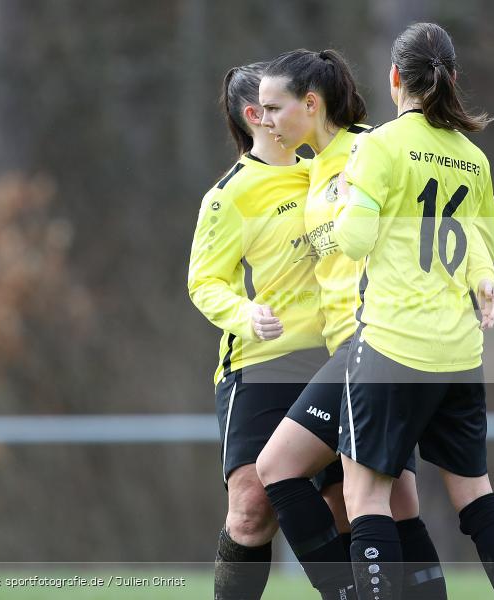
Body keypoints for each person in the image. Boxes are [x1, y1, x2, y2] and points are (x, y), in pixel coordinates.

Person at [333, 22, 494, 600]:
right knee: (476, 495)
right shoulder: (473, 158)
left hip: (394, 344)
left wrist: (348, 195)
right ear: (451, 79)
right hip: (459, 353)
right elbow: (483, 245)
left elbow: (353, 242)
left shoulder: (379, 146)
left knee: (366, 497)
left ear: (394, 78)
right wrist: (484, 282)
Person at [253, 49, 447, 600]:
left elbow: (385, 232)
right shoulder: (320, 163)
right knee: (398, 502)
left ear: (310, 104)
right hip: (357, 346)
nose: (264, 121)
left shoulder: (366, 149)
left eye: (274, 108)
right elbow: (333, 237)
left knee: (278, 468)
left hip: (374, 343)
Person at [188, 62, 334, 600]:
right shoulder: (229, 196)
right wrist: (246, 314)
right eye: (277, 101)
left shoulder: (327, 170)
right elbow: (204, 282)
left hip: (336, 357)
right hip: (262, 366)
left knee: (347, 503)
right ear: (257, 114)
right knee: (252, 509)